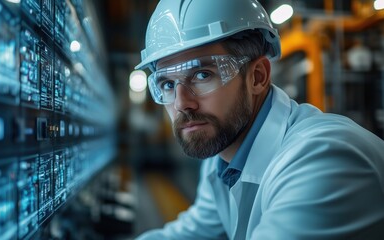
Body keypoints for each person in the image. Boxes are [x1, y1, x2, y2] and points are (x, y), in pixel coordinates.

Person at [134, 0, 384, 239]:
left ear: (258, 77)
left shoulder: (324, 159)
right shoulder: (222, 157)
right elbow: (195, 233)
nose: (180, 103)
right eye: (167, 84)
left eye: (202, 74)